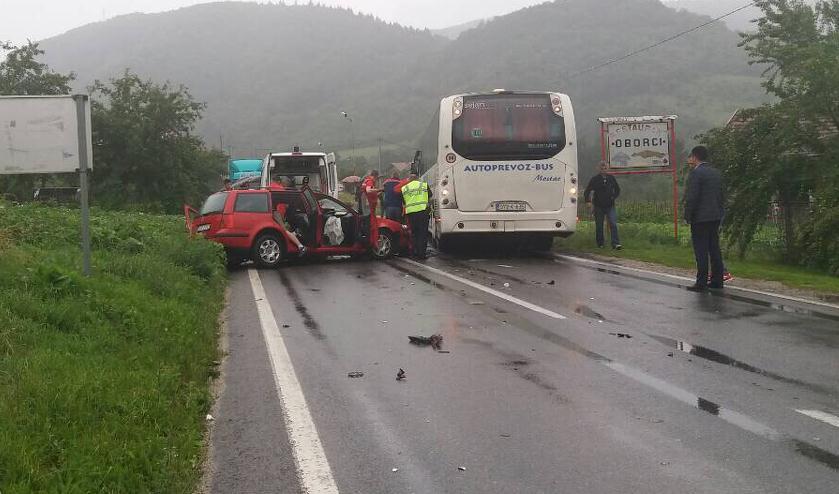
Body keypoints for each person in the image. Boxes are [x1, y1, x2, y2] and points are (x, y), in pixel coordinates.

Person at [684, 145, 725, 291]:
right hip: (715, 215)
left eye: (690, 157)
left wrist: (687, 215)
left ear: (695, 157)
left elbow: (692, 197)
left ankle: (701, 282)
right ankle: (717, 280)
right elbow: (721, 195)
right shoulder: (716, 173)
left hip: (700, 217)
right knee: (714, 248)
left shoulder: (696, 174)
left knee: (701, 250)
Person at [583, 161, 622, 249]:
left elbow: (617, 190)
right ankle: (600, 243)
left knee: (613, 223)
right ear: (598, 169)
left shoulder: (611, 178)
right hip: (598, 206)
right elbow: (587, 191)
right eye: (602, 168)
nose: (603, 170)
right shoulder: (594, 179)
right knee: (599, 225)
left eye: (605, 168)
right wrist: (588, 201)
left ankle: (615, 243)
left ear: (607, 168)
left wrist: (613, 197)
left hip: (610, 205)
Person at [396, 171, 432, 259]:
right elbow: (430, 196)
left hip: (411, 213)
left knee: (414, 233)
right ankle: (422, 254)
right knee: (422, 233)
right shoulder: (423, 185)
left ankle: (414, 253)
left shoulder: (404, 188)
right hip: (423, 212)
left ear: (409, 180)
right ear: (417, 178)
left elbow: (404, 201)